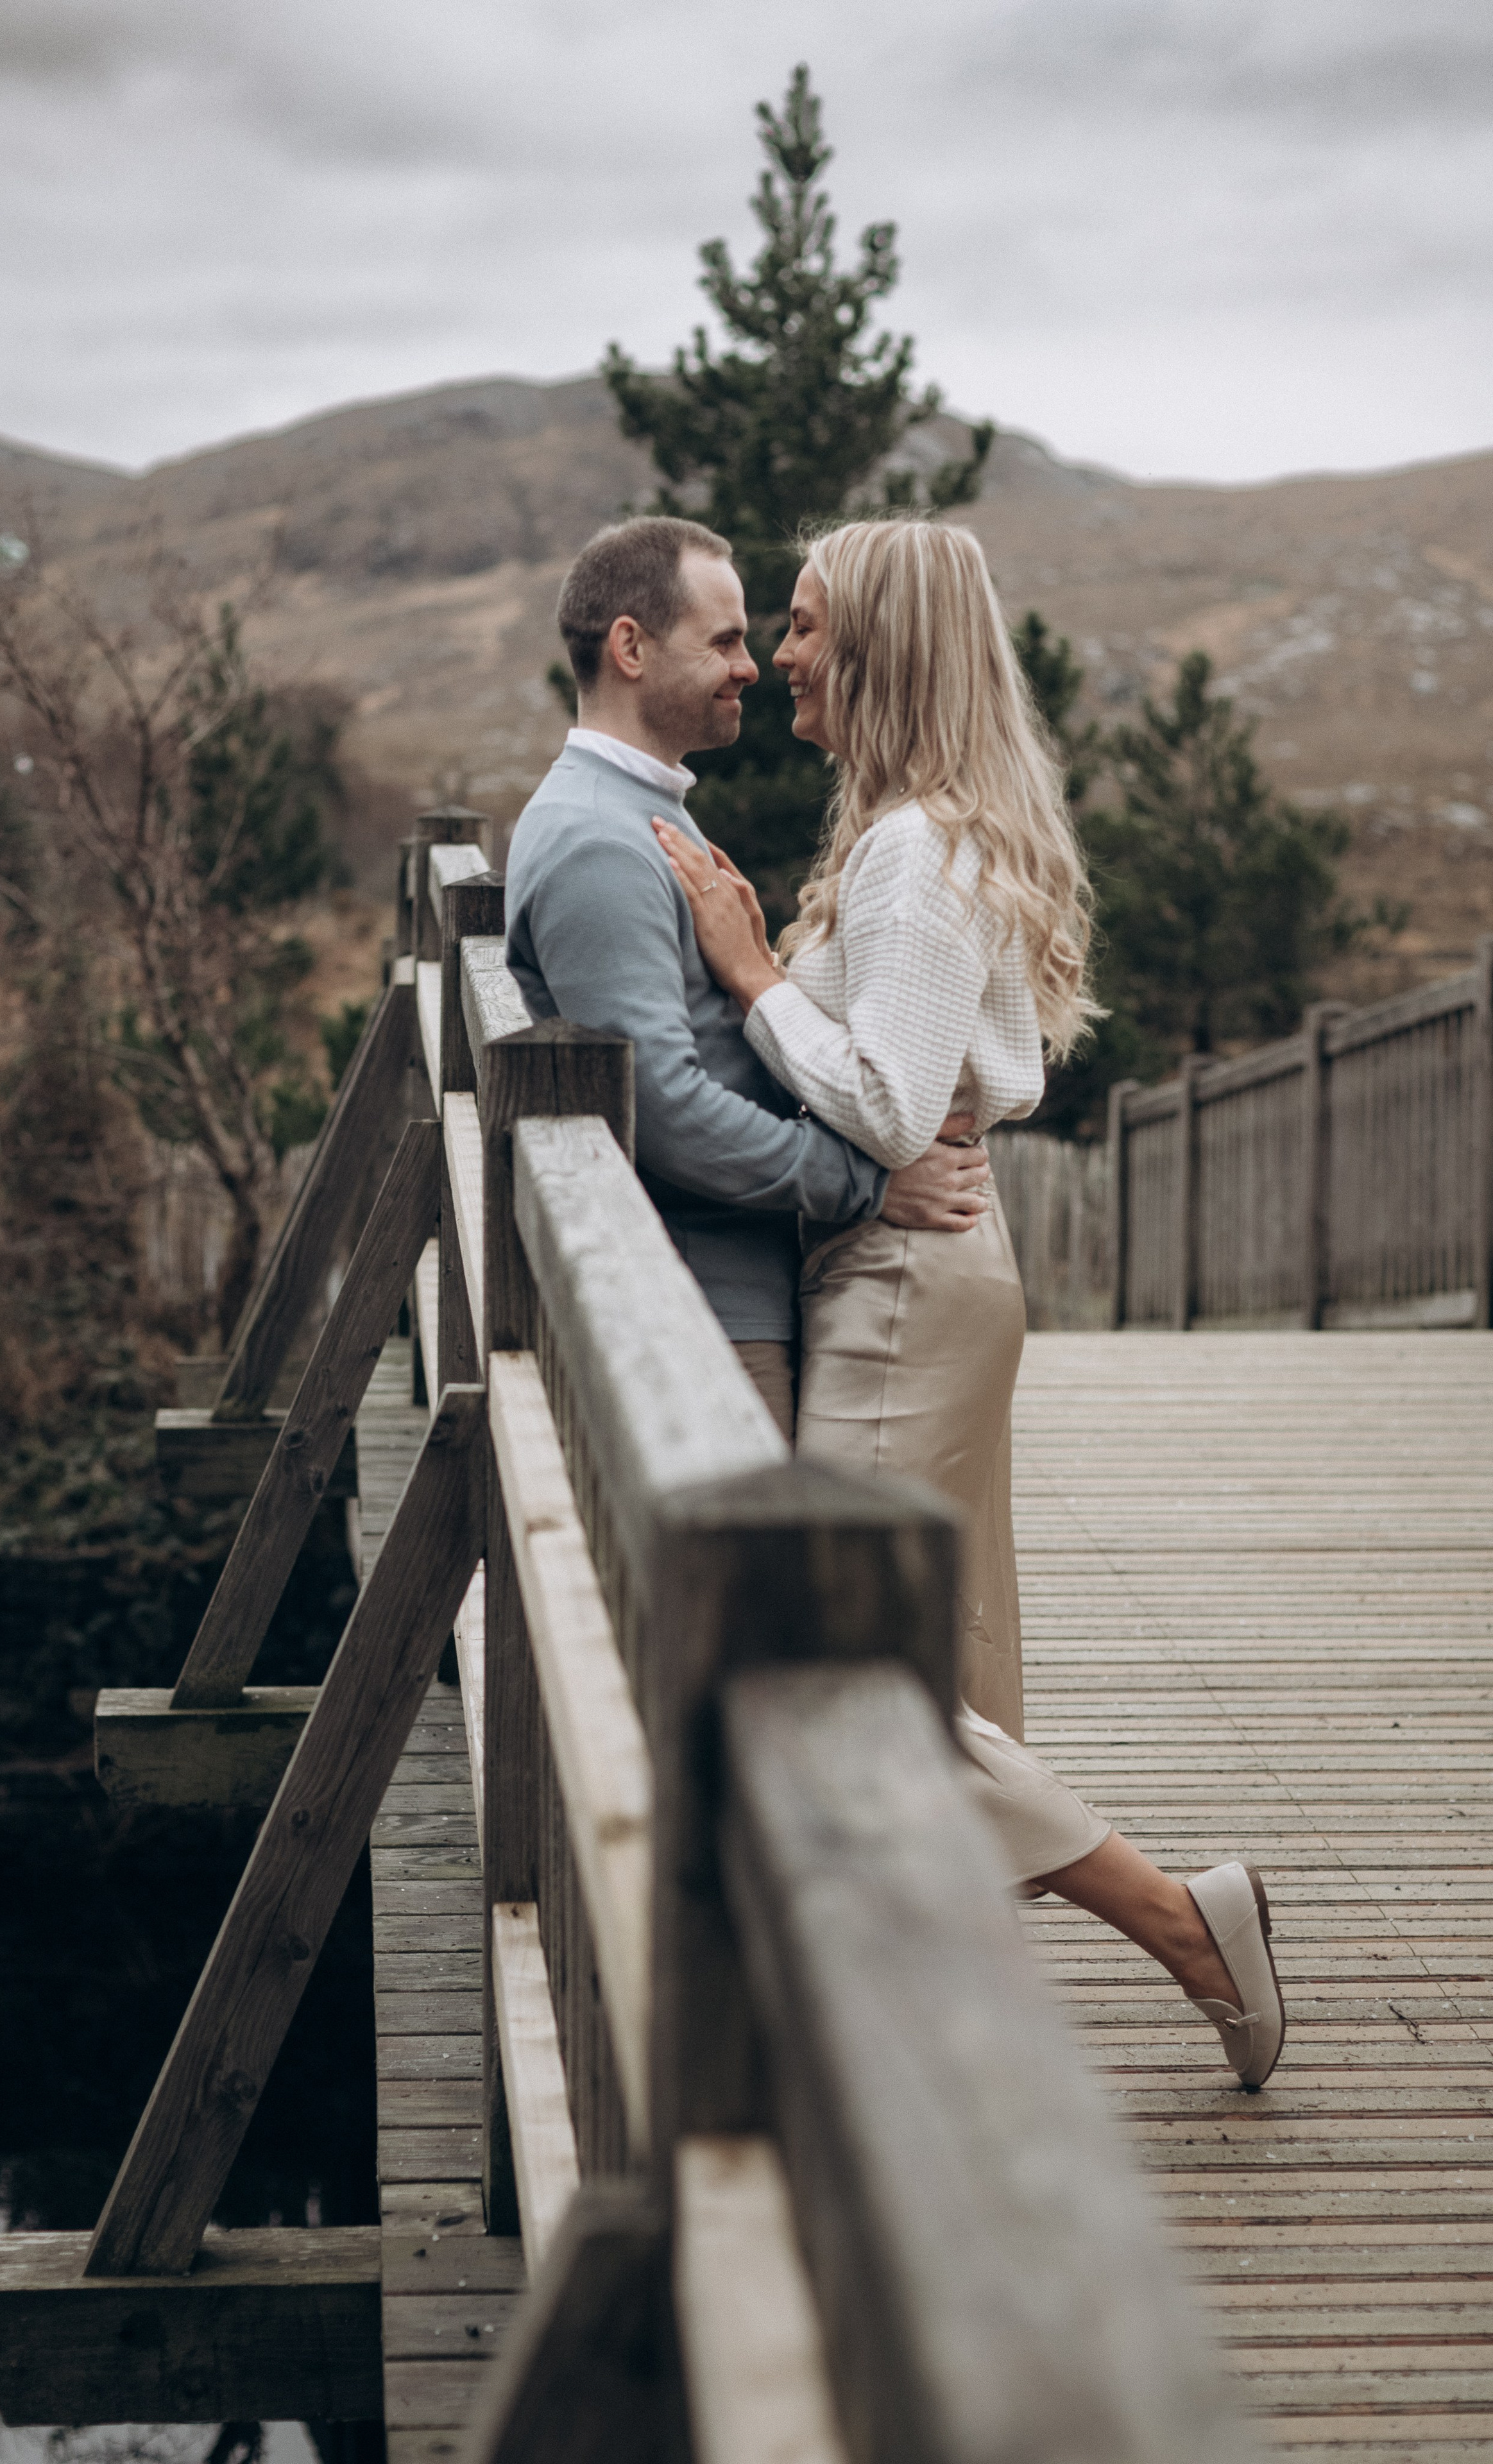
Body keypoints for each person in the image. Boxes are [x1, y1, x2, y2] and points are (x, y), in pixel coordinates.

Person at [648, 515, 1284, 2090]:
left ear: (878, 647)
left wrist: (747, 976)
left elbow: (883, 1097)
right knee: (928, 1653)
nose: (782, 654)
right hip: (935, 1270)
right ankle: (917, 1991)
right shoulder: (935, 834)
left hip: (900, 1285)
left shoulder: (906, 851)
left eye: (800, 625)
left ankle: (1180, 1923)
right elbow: (961, 1079)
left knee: (835, 1659)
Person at [504, 515, 992, 1452]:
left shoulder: (640, 812)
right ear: (632, 648)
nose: (753, 664)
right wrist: (867, 1187)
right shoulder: (604, 843)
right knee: (758, 1597)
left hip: (726, 1290)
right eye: (724, 640)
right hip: (700, 1312)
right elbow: (662, 1104)